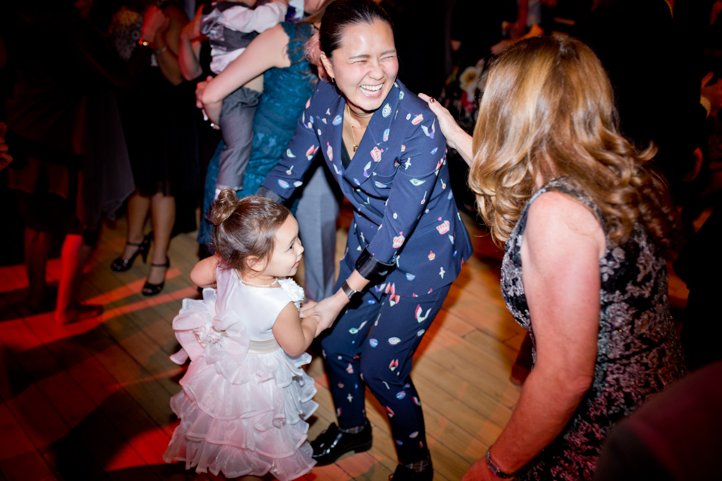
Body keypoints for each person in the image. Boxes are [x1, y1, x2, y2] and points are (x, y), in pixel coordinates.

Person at [422, 35, 686, 480]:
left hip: (604, 429)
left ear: (509, 110)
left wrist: (495, 466)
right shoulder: (606, 169)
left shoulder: (558, 215)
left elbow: (565, 378)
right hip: (660, 396)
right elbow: (520, 184)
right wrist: (451, 132)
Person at [257, 1, 473, 479]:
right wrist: (249, 223)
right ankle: (355, 429)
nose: (378, 73)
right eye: (359, 60)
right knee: (334, 346)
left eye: (387, 55)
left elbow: (397, 233)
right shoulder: (322, 103)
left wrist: (338, 297)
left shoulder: (417, 125)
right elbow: (288, 172)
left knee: (380, 366)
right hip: (366, 242)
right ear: (328, 65)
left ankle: (416, 464)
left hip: (423, 258)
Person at [163, 191, 321, 480]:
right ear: (256, 262)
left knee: (226, 436)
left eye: (297, 240)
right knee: (256, 445)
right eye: (290, 246)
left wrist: (225, 256)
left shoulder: (228, 267)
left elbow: (197, 277)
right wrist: (312, 320)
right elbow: (296, 344)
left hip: (224, 370)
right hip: (260, 382)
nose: (300, 249)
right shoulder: (279, 303)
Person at [197, 0, 339, 300]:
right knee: (231, 289)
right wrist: (228, 131)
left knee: (266, 292)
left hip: (283, 187)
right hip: (242, 182)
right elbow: (211, 94)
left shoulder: (338, 49)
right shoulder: (285, 36)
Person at [109, 1, 196, 296]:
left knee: (161, 187)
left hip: (163, 111)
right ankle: (133, 241)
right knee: (138, 183)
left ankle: (159, 257)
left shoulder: (170, 14)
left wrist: (156, 41)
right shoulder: (124, 10)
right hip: (134, 108)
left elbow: (179, 76)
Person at [201, 0, 288, 194]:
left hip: (242, 90)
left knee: (241, 140)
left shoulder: (228, 12)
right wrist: (280, 4)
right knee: (238, 142)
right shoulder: (230, 12)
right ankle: (224, 195)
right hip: (236, 91)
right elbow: (266, 18)